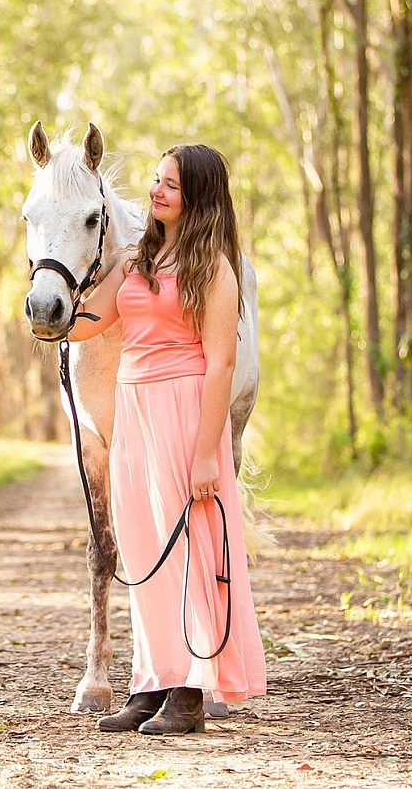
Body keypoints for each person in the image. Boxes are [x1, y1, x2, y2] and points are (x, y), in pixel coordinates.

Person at [67, 143, 267, 735]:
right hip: (134, 412)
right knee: (144, 548)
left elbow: (221, 366)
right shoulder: (135, 261)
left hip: (183, 408)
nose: (156, 192)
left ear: (197, 198)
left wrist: (208, 452)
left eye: (170, 186)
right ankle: (149, 682)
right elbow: (91, 319)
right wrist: (50, 307)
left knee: (187, 553)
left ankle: (188, 691)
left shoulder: (215, 269)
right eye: (156, 181)